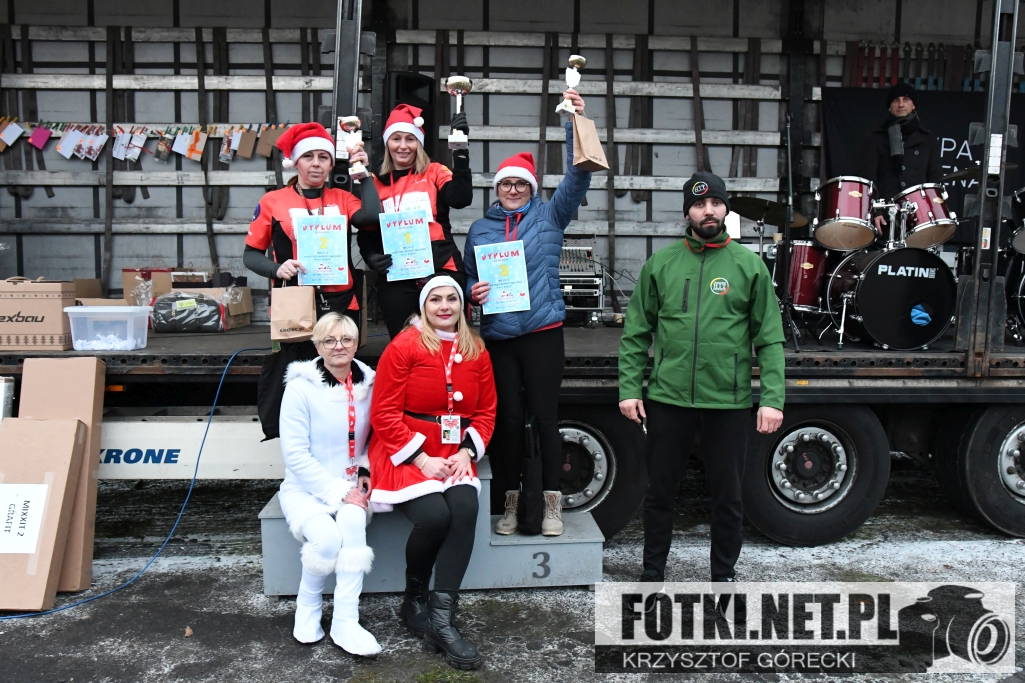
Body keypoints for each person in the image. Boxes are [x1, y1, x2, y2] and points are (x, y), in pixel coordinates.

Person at [618, 172, 786, 586]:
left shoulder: (748, 265)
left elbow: (769, 338)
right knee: (659, 494)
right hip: (668, 399)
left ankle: (723, 576)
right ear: (687, 213)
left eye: (715, 203)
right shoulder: (662, 264)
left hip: (727, 403)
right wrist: (629, 388)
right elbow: (636, 332)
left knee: (728, 498)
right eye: (698, 204)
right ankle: (652, 572)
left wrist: (772, 398)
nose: (707, 211)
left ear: (725, 209)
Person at [463, 89, 590, 537]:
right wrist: (472, 292)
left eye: (521, 184)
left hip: (542, 333)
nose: (513, 190)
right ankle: (511, 504)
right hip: (499, 336)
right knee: (508, 423)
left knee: (545, 419)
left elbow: (578, 175)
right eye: (506, 184)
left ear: (532, 189)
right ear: (496, 189)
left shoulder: (550, 217)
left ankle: (551, 504)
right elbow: (467, 276)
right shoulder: (480, 229)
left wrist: (573, 122)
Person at [368, 276, 496, 670]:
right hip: (405, 450)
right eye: (435, 299)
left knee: (465, 508)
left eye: (452, 299)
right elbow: (383, 413)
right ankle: (414, 600)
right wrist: (420, 459)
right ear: (424, 307)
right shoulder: (404, 345)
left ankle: (441, 621)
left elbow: (486, 411)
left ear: (462, 306)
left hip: (453, 452)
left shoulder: (476, 349)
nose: (444, 306)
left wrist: (467, 451)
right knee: (435, 516)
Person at [244, 122, 381, 440]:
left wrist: (364, 174)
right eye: (308, 157)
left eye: (323, 157)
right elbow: (251, 255)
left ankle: (343, 441)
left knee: (339, 374)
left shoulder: (343, 198)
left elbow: (372, 217)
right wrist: (276, 269)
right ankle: (295, 442)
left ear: (332, 164)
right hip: (295, 304)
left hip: (341, 302)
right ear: (295, 162)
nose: (316, 163)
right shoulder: (273, 201)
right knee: (296, 378)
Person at [278, 313, 379, 656]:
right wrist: (337, 491)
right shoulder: (300, 388)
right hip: (306, 488)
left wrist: (364, 470)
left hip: (353, 485)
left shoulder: (370, 383)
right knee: (326, 540)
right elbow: (295, 454)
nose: (339, 346)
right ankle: (308, 607)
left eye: (346, 339)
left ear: (356, 343)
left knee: (352, 530)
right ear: (317, 346)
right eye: (329, 340)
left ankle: (346, 622)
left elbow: (374, 437)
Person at [357, 104, 474, 338]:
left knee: (445, 341)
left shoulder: (434, 171)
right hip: (397, 273)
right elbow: (367, 232)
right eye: (396, 139)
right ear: (387, 143)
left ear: (418, 143)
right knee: (405, 342)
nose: (403, 146)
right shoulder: (375, 182)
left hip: (441, 268)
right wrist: (371, 257)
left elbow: (460, 198)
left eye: (410, 139)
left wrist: (460, 152)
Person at [856, 82, 942, 233]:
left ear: (914, 105)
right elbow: (868, 177)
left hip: (918, 214)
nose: (901, 104)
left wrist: (932, 212)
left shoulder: (928, 138)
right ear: (889, 107)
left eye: (906, 99)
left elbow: (934, 178)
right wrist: (875, 211)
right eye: (896, 100)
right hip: (885, 214)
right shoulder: (875, 138)